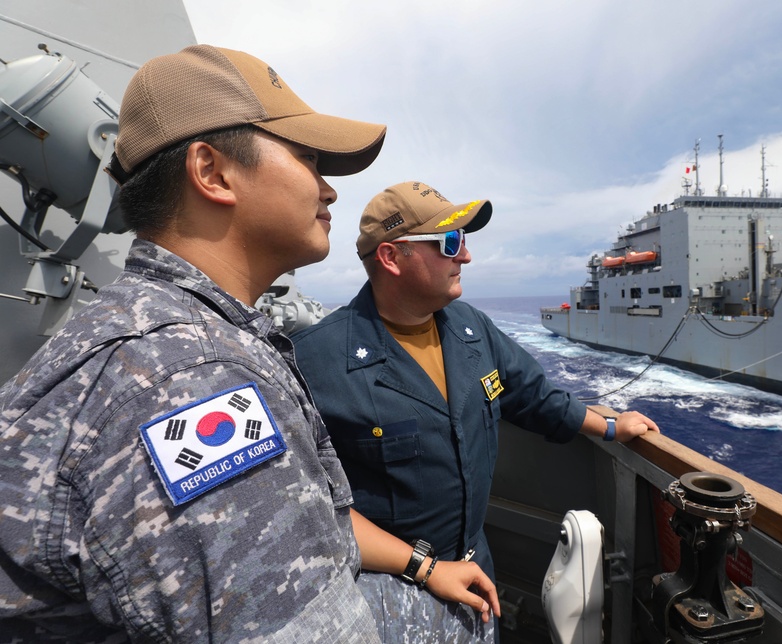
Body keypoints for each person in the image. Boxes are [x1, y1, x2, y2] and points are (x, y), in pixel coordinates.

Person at [0, 46, 496, 641]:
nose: (330, 190)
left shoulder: (169, 332)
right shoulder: (187, 379)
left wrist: (424, 566)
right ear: (212, 172)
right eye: (308, 158)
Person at [292, 181, 660, 641]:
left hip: (476, 575)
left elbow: (532, 395)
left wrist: (608, 426)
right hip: (387, 595)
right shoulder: (313, 363)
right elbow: (312, 508)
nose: (465, 256)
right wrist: (426, 569)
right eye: (450, 242)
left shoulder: (471, 328)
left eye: (463, 241)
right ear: (390, 257)